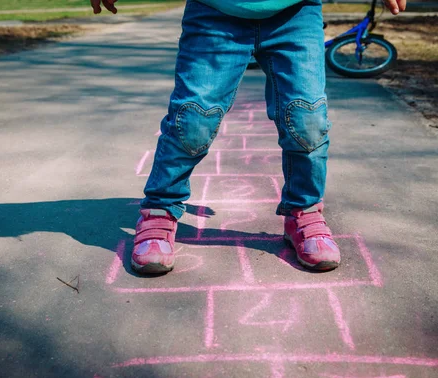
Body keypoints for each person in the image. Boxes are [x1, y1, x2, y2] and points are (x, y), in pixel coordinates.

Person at [89, 0, 406, 274]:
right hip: (215, 14)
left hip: (295, 15)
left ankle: (304, 212)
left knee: (307, 119)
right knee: (194, 120)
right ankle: (159, 210)